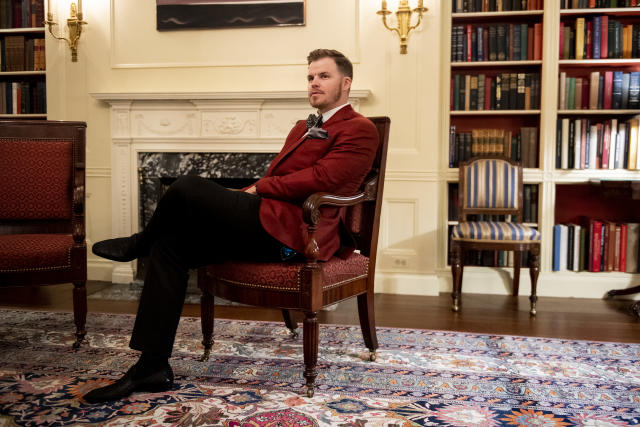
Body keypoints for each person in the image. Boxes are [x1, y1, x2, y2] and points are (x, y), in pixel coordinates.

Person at [83, 48, 380, 403]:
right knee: (171, 247)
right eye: (310, 77)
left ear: (346, 83)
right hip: (263, 220)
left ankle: (139, 243)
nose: (314, 83)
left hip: (297, 233)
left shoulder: (360, 129)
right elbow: (278, 175)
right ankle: (152, 366)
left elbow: (324, 178)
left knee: (187, 186)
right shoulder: (305, 127)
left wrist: (258, 189)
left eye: (324, 76)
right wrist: (249, 194)